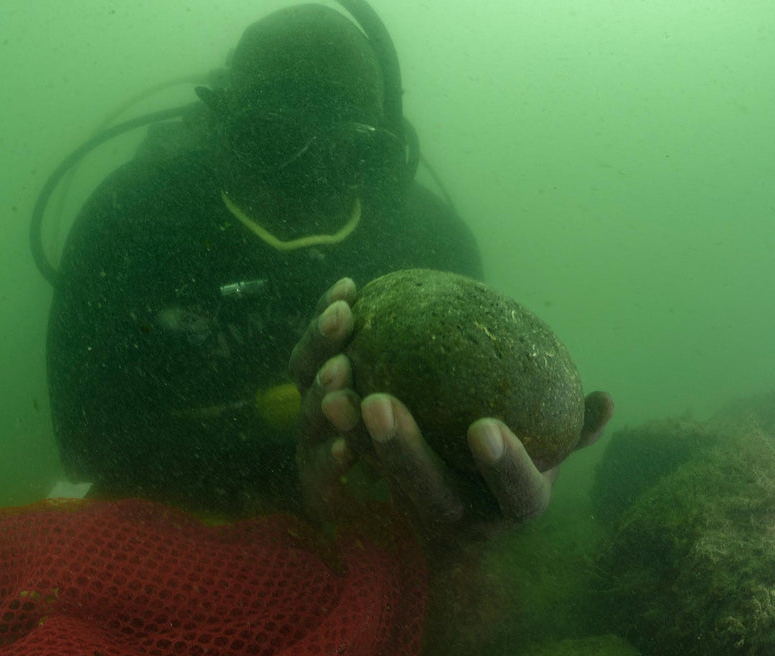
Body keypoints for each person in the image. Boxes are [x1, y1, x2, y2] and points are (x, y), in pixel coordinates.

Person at [45, 3, 612, 533]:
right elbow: (89, 448)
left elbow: (472, 419)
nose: (306, 175)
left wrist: (482, 489)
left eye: (348, 149)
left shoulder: (429, 241)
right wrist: (282, 443)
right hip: (172, 523)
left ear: (381, 153)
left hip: (365, 524)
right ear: (218, 124)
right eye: (270, 141)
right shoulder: (131, 226)